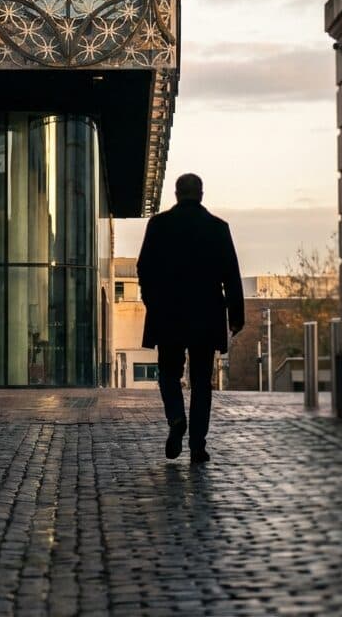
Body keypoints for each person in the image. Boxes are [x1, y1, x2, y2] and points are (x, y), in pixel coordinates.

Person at [137, 172, 244, 463]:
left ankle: (175, 418)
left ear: (176, 194)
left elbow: (144, 268)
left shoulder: (159, 225)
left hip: (169, 314)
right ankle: (198, 444)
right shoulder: (218, 228)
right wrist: (236, 317)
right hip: (206, 316)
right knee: (200, 382)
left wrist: (153, 303)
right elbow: (231, 276)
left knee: (169, 374)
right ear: (201, 194)